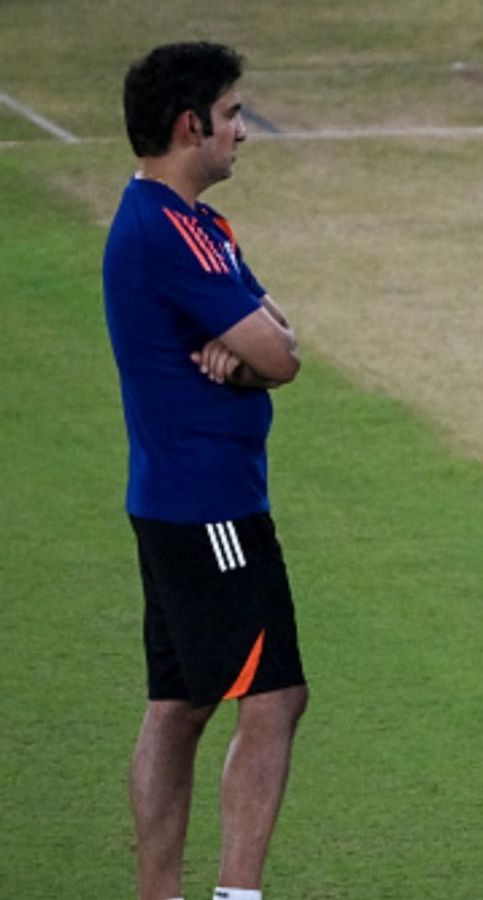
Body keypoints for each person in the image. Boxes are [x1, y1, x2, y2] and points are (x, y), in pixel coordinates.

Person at [103, 42, 307, 900]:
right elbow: (284, 357)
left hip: (175, 500)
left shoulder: (189, 223)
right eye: (230, 115)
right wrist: (256, 350)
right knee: (273, 696)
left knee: (180, 703)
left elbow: (277, 335)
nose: (240, 132)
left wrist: (253, 350)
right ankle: (236, 894)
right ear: (190, 126)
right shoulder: (167, 230)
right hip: (210, 506)